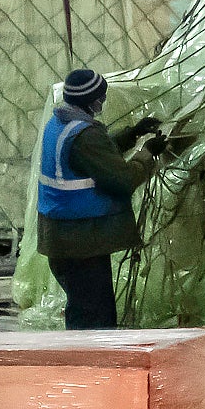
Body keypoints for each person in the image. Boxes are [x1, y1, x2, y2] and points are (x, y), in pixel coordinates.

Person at [37, 68, 164, 329]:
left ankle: (85, 363)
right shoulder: (85, 135)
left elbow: (95, 157)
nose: (102, 102)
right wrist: (147, 154)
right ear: (90, 100)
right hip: (81, 242)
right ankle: (90, 367)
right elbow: (122, 180)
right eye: (101, 97)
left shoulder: (61, 123)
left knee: (84, 310)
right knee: (95, 319)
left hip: (62, 238)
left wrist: (133, 133)